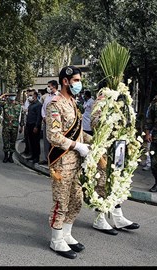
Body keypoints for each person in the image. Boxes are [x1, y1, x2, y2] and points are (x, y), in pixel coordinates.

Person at [45, 66, 91, 259]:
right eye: (76, 80)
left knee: (76, 199)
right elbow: (53, 136)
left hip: (76, 163)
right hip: (62, 162)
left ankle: (67, 234)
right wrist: (77, 146)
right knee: (61, 201)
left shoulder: (72, 102)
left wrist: (93, 140)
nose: (79, 84)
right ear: (65, 81)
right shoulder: (55, 104)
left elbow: (79, 133)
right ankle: (56, 239)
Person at [90, 91, 139, 235]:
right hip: (104, 147)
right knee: (102, 182)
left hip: (120, 147)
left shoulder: (124, 100)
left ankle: (118, 218)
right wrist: (109, 111)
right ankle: (99, 219)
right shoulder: (101, 101)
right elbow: (94, 124)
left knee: (117, 181)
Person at [0, 92, 23, 163]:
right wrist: (2, 95)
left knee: (13, 142)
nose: (12, 97)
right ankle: (6, 156)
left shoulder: (18, 105)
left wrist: (22, 126)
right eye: (11, 96)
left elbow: (22, 116)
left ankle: (11, 156)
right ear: (8, 96)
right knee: (6, 142)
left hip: (15, 127)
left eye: (13, 95)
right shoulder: (5, 104)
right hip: (6, 126)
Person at [40, 80, 59, 165]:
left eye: (49, 86)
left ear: (54, 86)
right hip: (46, 122)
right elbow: (43, 108)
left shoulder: (59, 96)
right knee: (46, 140)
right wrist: (43, 116)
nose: (48, 88)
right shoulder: (47, 97)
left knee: (54, 141)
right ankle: (46, 158)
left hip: (55, 123)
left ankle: (54, 159)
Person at [25, 89, 42, 164]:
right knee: (31, 141)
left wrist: (36, 126)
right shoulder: (31, 104)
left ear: (35, 96)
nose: (29, 97)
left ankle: (36, 157)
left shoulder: (38, 105)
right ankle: (32, 155)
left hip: (34, 125)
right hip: (29, 124)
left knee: (36, 142)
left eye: (31, 95)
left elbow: (39, 116)